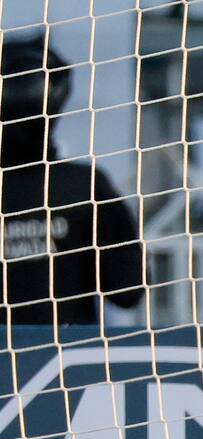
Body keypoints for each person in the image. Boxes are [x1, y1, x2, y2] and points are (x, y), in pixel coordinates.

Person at [0, 36, 145, 324]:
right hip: (65, 361)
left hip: (63, 360)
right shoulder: (84, 187)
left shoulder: (84, 188)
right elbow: (128, 289)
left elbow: (127, 290)